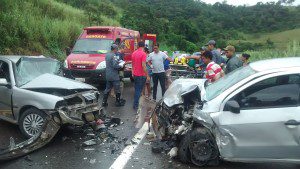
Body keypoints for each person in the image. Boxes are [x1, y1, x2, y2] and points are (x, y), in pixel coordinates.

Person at [132, 41, 149, 110]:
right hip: (141, 75)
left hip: (135, 74)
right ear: (144, 46)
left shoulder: (134, 53)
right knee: (139, 90)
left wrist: (132, 73)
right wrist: (147, 75)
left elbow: (133, 65)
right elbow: (143, 65)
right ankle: (136, 105)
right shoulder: (143, 54)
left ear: (138, 45)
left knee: (136, 89)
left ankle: (136, 104)